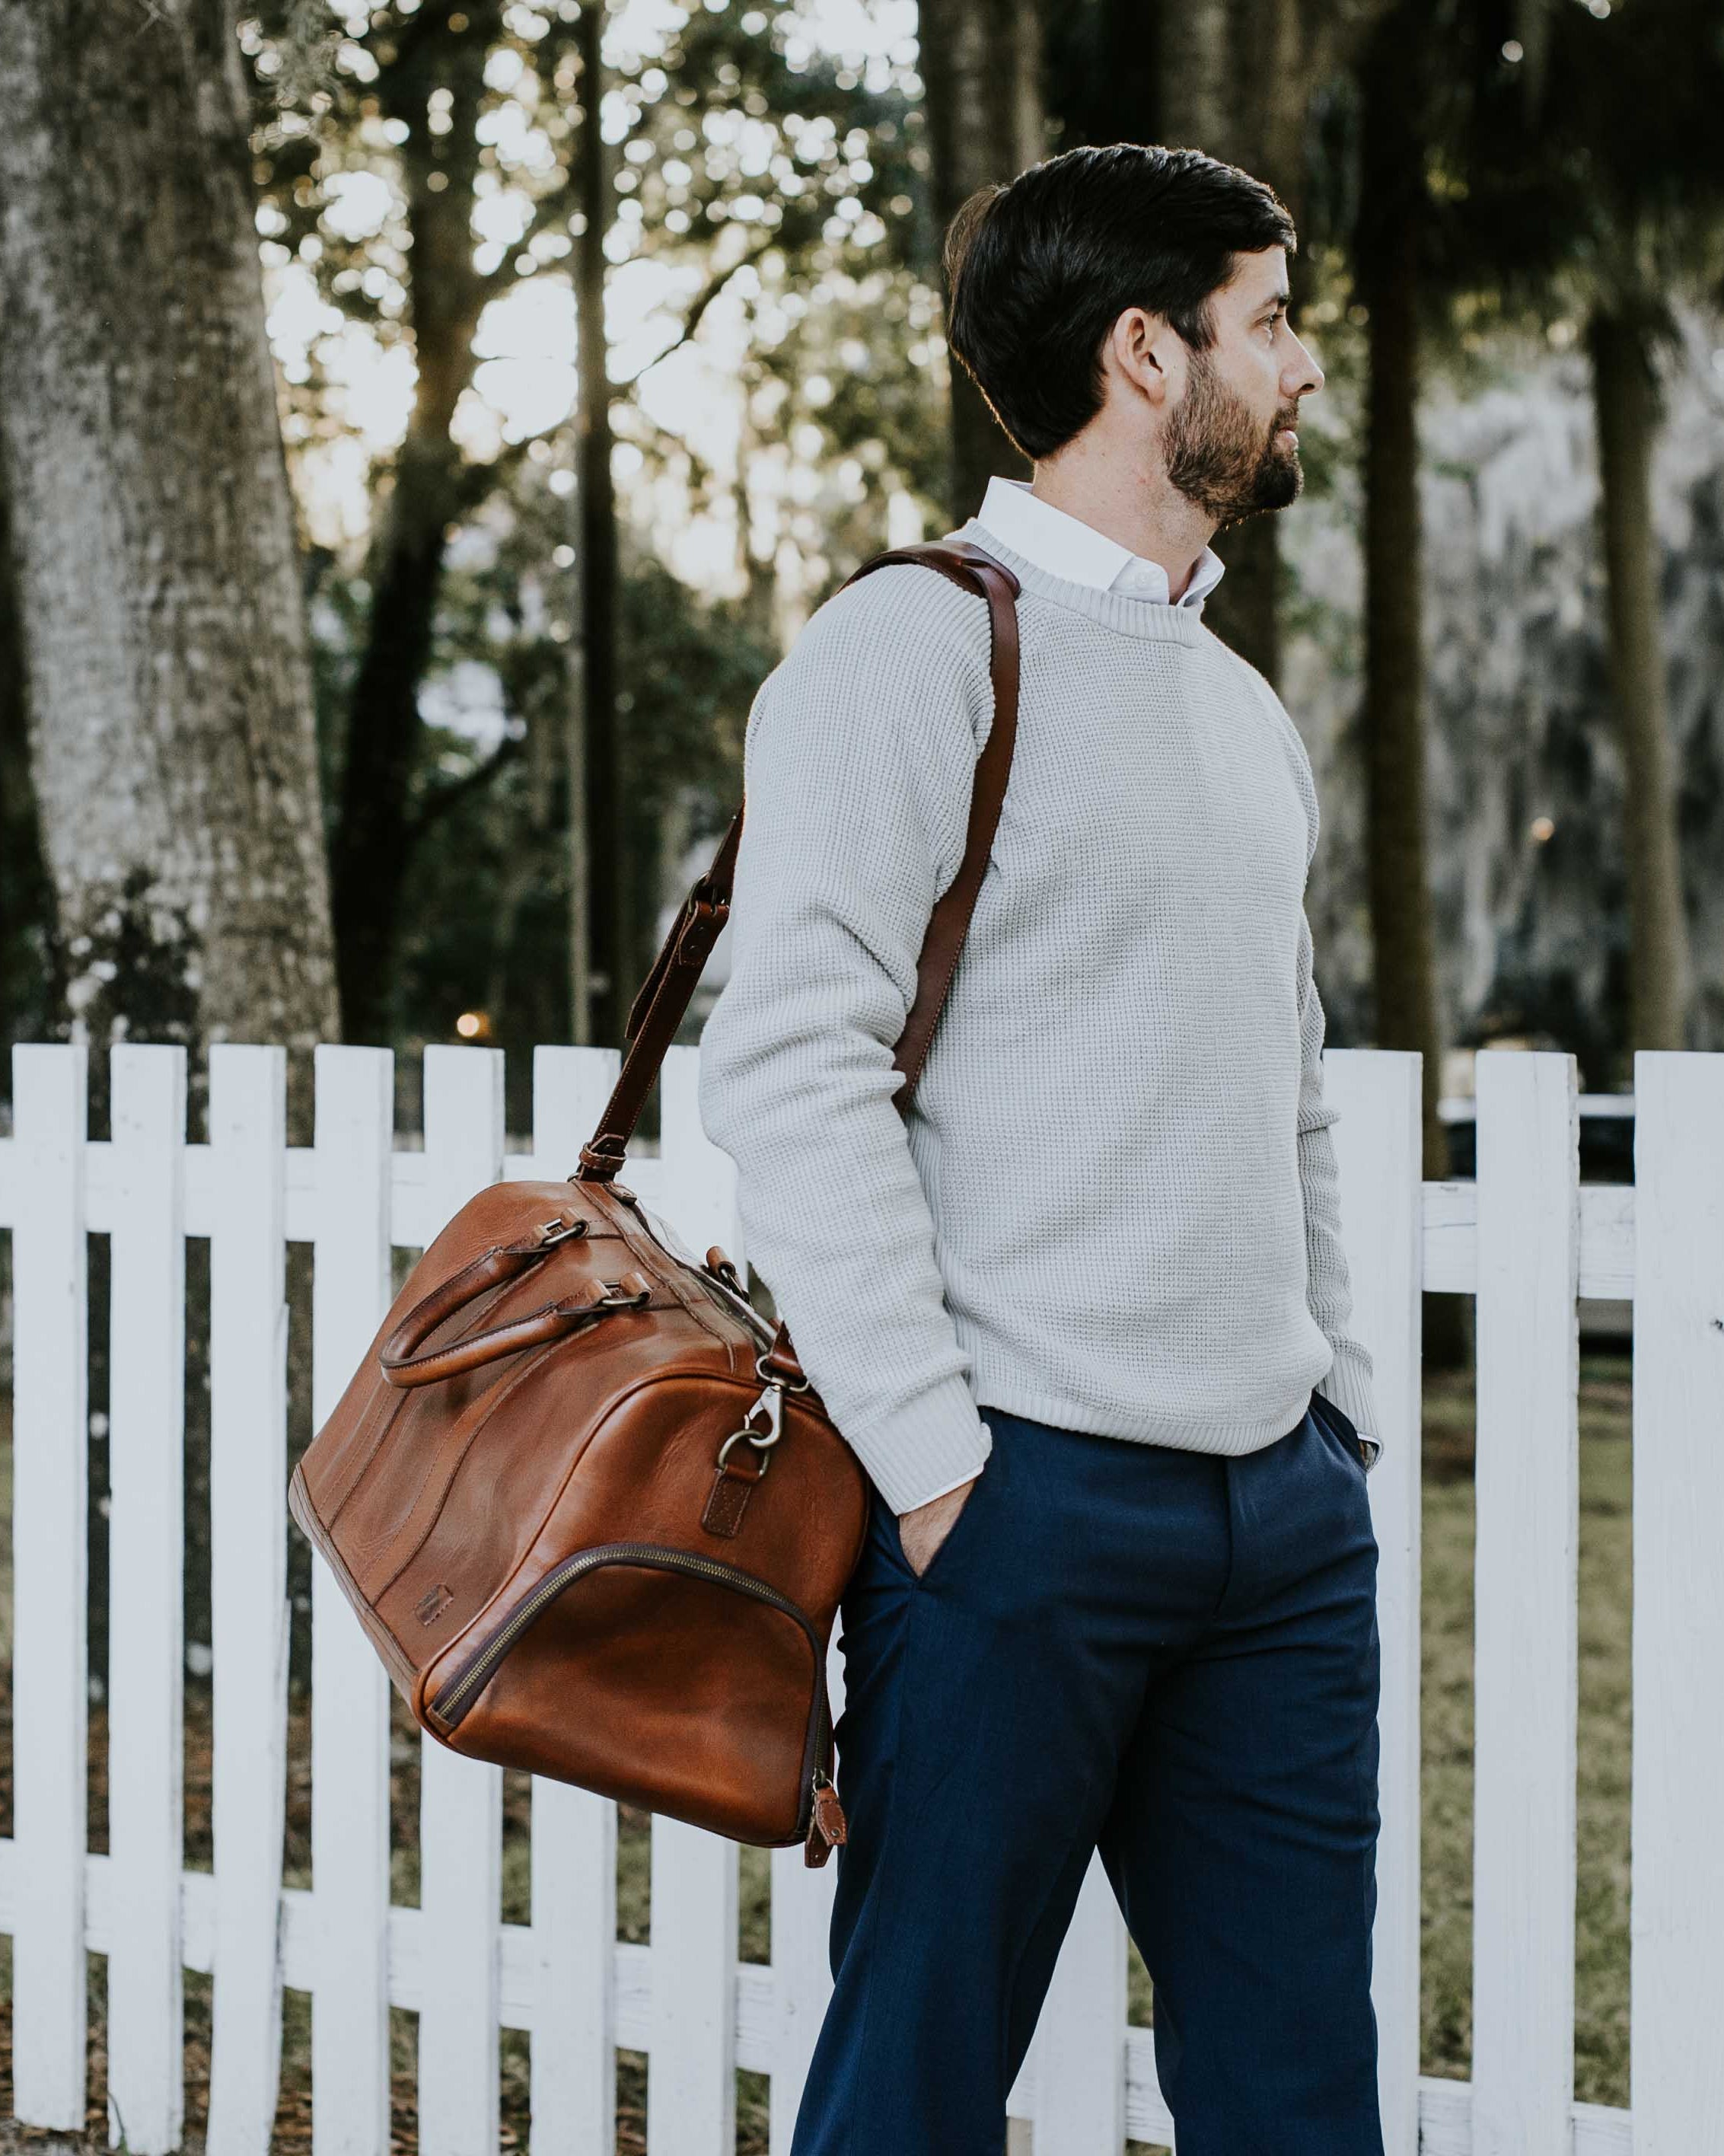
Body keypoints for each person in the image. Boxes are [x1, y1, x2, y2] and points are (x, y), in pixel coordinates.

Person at [697, 143, 1385, 2156]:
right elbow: (794, 1075)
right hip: (1016, 1515)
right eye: (1269, 322)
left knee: (1295, 2106)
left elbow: (1290, 1086)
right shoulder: (901, 654)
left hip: (1275, 1526)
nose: (1302, 368)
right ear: (1144, 353)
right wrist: (932, 1473)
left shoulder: (1236, 707)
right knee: (910, 2096)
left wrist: (1329, 1416)